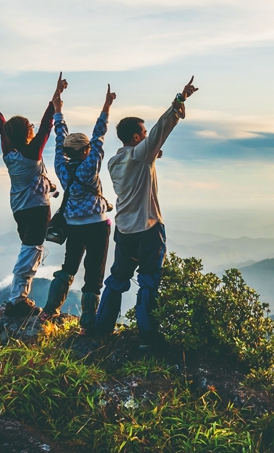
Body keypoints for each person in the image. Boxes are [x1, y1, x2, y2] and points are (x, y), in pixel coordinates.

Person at [94, 77, 198, 349]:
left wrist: (153, 154)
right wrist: (179, 101)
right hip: (148, 228)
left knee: (117, 279)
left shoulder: (115, 161)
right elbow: (161, 130)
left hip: (124, 230)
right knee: (149, 281)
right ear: (137, 137)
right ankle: (149, 337)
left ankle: (101, 328)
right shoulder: (141, 155)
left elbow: (142, 155)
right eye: (143, 132)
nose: (147, 134)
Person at [0, 73, 67, 317]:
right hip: (36, 209)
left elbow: (3, 128)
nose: (33, 127)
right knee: (32, 250)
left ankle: (19, 296)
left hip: (19, 208)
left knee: (30, 247)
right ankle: (17, 298)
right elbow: (46, 126)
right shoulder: (31, 153)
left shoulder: (8, 152)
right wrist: (55, 101)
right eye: (29, 126)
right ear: (26, 132)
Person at [40, 84, 116, 334]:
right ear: (85, 152)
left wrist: (58, 110)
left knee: (68, 267)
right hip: (96, 226)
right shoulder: (90, 166)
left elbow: (59, 138)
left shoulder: (61, 168)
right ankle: (87, 324)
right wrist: (106, 107)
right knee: (94, 275)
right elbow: (99, 136)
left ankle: (49, 311)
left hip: (73, 226)